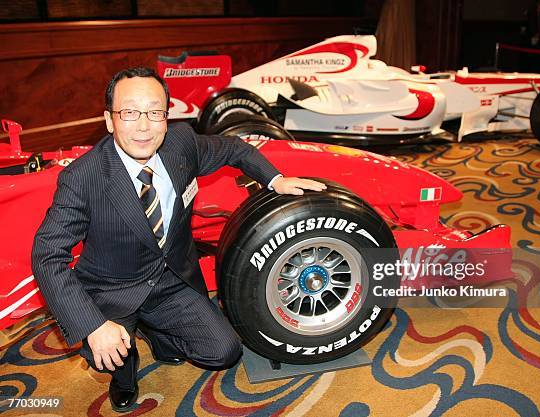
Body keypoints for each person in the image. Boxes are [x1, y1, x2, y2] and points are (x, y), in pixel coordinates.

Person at [31, 67, 326, 412]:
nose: (143, 126)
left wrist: (275, 180)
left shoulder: (180, 144)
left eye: (155, 113)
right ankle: (124, 377)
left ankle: (157, 333)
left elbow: (233, 147)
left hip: (172, 281)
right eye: (129, 113)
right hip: (112, 290)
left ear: (166, 117)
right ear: (110, 120)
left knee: (223, 352)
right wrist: (93, 325)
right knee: (108, 357)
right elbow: (47, 255)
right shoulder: (83, 178)